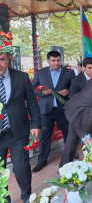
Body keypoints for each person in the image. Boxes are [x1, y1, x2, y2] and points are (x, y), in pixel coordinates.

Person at [0, 51, 41, 202]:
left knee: (21, 168)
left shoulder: (21, 77)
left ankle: (26, 196)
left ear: (8, 60)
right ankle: (4, 198)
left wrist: (35, 124)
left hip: (18, 132)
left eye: (2, 59)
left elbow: (31, 102)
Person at [31, 51, 75, 173]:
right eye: (53, 61)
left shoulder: (69, 73)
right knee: (44, 137)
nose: (56, 63)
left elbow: (75, 87)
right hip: (46, 111)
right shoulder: (41, 73)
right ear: (48, 61)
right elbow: (33, 88)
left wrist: (68, 91)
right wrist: (41, 93)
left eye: (58, 60)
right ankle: (42, 161)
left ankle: (70, 155)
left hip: (63, 109)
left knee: (68, 133)